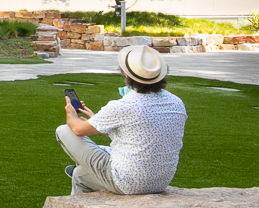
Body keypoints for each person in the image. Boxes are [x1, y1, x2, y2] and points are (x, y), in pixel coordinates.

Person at [57, 44, 187, 196]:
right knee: (80, 176)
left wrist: (71, 114)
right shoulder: (176, 102)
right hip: (160, 182)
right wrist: (97, 120)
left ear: (126, 74)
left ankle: (84, 167)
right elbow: (137, 133)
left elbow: (78, 129)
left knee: (63, 130)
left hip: (127, 182)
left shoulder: (124, 105)